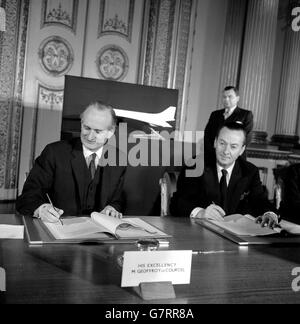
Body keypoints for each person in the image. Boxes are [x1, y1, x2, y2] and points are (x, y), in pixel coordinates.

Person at [16, 101, 126, 223]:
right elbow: (26, 198)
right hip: (58, 229)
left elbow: (117, 200)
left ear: (110, 132)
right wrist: (41, 209)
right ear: (81, 124)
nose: (90, 137)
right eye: (86, 128)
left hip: (100, 234)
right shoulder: (54, 152)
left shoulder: (118, 158)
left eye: (97, 131)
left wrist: (112, 208)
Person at [170, 122, 278, 228]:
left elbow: (260, 200)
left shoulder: (250, 171)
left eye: (233, 146)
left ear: (242, 150)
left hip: (236, 235)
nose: (226, 151)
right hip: (200, 232)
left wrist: (270, 214)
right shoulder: (195, 165)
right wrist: (200, 213)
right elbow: (178, 202)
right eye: (222, 143)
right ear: (215, 142)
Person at [204, 86, 253, 167]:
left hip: (236, 158)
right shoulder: (215, 114)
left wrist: (235, 151)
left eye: (230, 97)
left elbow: (247, 137)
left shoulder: (245, 114)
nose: (226, 99)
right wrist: (214, 152)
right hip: (214, 157)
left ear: (237, 98)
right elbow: (207, 135)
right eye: (224, 97)